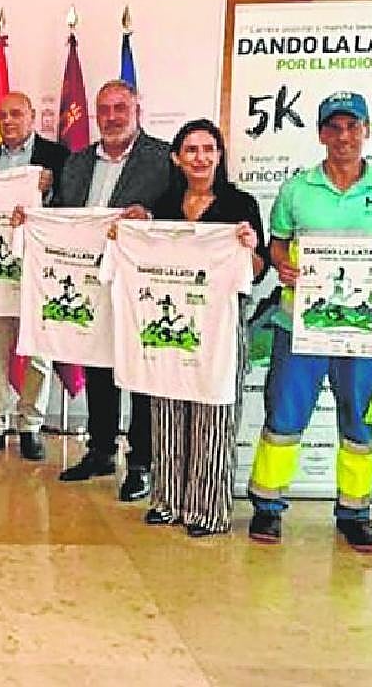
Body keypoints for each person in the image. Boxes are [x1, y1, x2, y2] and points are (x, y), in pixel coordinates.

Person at [247, 91, 372, 553]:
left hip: (363, 332)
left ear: (367, 131)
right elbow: (277, 244)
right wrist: (283, 265)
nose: (343, 136)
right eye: (334, 127)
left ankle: (355, 511)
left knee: (359, 421)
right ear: (320, 134)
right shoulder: (297, 189)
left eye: (352, 126)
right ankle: (268, 507)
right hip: (299, 326)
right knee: (284, 417)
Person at [137, 120, 268, 536]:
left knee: (214, 413)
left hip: (223, 327)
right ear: (176, 158)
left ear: (220, 154)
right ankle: (168, 499)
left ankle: (207, 509)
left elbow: (259, 270)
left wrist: (249, 249)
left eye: (208, 148)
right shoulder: (162, 205)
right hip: (172, 323)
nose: (200, 157)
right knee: (168, 408)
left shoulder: (240, 205)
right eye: (191, 150)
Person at [53, 79, 171, 500]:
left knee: (139, 371)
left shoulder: (163, 158)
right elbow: (61, 214)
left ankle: (141, 461)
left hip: (141, 283)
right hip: (89, 281)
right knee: (98, 368)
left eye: (121, 107)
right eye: (104, 109)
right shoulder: (77, 162)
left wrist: (151, 215)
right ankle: (101, 449)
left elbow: (182, 209)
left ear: (138, 108)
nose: (112, 116)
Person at [0, 91, 70, 461]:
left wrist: (51, 188)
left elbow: (70, 206)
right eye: (2, 115)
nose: (8, 121)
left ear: (31, 117)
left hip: (39, 272)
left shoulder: (57, 158)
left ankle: (31, 425)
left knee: (38, 354)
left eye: (16, 114)